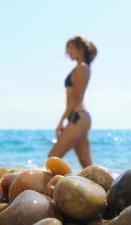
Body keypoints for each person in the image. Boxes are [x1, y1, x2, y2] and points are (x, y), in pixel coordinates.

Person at [48, 35, 97, 168]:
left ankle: (53, 187)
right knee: (86, 163)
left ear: (80, 49)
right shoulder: (81, 67)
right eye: (67, 49)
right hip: (78, 117)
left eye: (71, 48)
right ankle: (107, 188)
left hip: (78, 117)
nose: (68, 52)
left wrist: (61, 122)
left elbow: (76, 97)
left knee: (53, 157)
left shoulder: (82, 67)